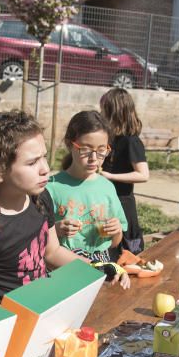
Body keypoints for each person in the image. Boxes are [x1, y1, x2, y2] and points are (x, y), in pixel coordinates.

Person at [0, 110, 125, 305]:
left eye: (44, 157)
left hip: (41, 310)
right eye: (33, 162)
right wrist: (14, 317)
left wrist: (98, 268)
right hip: (8, 324)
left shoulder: (41, 199)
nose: (45, 168)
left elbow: (51, 252)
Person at [45, 111, 127, 263]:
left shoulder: (107, 187)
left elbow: (114, 243)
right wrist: (56, 229)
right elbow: (34, 240)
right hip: (64, 266)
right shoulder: (50, 187)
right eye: (86, 150)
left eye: (102, 150)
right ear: (70, 144)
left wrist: (116, 232)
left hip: (102, 263)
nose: (94, 158)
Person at [99, 88, 148, 255]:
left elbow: (143, 175)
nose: (101, 113)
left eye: (104, 109)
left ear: (114, 112)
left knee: (126, 253)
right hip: (106, 201)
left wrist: (110, 176)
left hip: (123, 204)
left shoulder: (131, 141)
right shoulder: (110, 138)